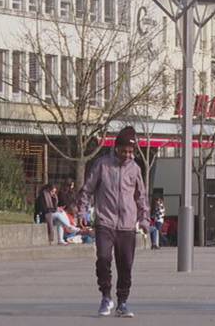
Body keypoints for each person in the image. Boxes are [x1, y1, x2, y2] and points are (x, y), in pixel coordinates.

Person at [77, 126, 150, 317]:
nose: (127, 154)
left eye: (131, 151)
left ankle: (122, 302)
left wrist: (144, 219)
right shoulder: (102, 165)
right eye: (124, 150)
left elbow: (141, 196)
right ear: (117, 148)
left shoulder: (135, 169)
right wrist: (82, 212)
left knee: (125, 264)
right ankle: (106, 296)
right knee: (103, 258)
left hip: (127, 224)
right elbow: (87, 190)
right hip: (105, 221)